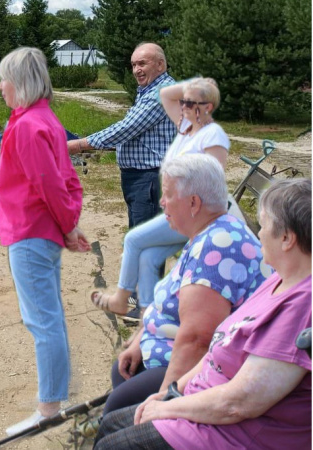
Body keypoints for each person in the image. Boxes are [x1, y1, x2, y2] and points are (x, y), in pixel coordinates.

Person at [94, 178, 311, 450]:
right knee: (110, 424)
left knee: (112, 444)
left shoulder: (301, 308)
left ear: (287, 238)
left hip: (236, 433)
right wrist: (170, 394)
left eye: (264, 225)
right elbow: (217, 347)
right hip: (207, 401)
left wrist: (169, 408)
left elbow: (238, 403)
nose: (259, 233)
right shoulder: (280, 278)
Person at [101, 153, 270, 416]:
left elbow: (197, 339)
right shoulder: (210, 231)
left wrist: (167, 400)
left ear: (193, 203)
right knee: (123, 377)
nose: (161, 202)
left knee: (116, 408)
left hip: (205, 370)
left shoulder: (219, 246)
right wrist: (140, 341)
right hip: (172, 353)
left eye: (168, 195)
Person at [0, 47, 90, 435]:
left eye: (3, 79)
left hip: (31, 233)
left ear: (19, 82)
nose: (0, 87)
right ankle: (55, 398)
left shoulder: (30, 125)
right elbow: (66, 178)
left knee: (43, 322)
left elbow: (50, 183)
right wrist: (69, 224)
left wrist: (68, 226)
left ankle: (48, 409)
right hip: (38, 231)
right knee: (51, 318)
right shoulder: (42, 118)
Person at [90, 78, 231, 316]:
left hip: (197, 216)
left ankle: (120, 300)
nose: (182, 106)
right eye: (183, 101)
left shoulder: (212, 135)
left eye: (190, 103)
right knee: (148, 256)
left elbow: (213, 182)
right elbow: (165, 93)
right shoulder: (187, 129)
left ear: (206, 107)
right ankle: (148, 313)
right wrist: (195, 84)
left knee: (134, 240)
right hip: (178, 209)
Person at [67, 43, 176, 229]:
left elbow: (126, 128)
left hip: (150, 179)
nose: (136, 70)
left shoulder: (161, 92)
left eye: (142, 64)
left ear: (160, 65)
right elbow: (139, 134)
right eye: (133, 65)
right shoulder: (150, 90)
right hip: (143, 179)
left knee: (146, 244)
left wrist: (76, 145)